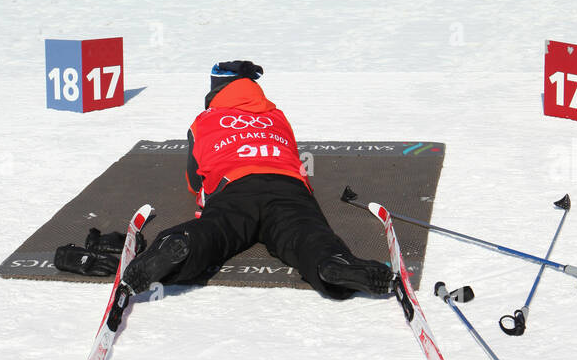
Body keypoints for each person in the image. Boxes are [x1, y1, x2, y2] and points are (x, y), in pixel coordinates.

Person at [122, 60, 392, 300]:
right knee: (304, 232)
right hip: (287, 184)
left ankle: (179, 245)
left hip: (235, 186)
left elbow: (195, 182)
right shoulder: (277, 116)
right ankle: (331, 262)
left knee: (216, 232)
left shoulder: (204, 121)